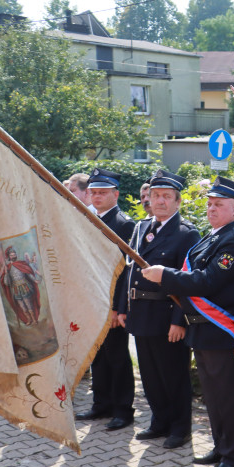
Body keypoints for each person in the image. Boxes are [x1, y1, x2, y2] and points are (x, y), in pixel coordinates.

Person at [140, 177, 234, 467]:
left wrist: (165, 274)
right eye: (210, 203)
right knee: (214, 397)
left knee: (229, 398)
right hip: (203, 332)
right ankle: (221, 447)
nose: (211, 208)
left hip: (222, 333)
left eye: (219, 205)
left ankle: (233, 458)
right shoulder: (213, 236)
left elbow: (208, 281)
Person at [117, 169, 200, 450]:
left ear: (177, 202)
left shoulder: (186, 234)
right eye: (155, 196)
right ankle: (159, 421)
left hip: (167, 316)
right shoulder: (142, 229)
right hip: (140, 313)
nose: (160, 201)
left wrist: (180, 321)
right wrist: (122, 307)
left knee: (173, 374)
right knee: (151, 375)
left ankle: (180, 428)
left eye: (167, 197)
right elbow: (128, 272)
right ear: (148, 199)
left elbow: (188, 281)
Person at [75, 168, 136, 430]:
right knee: (97, 355)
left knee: (117, 357)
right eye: (94, 192)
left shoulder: (125, 224)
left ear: (116, 194)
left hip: (110, 303)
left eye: (103, 193)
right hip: (91, 300)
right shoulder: (88, 218)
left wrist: (116, 308)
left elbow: (125, 272)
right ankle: (101, 404)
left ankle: (123, 410)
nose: (97, 197)